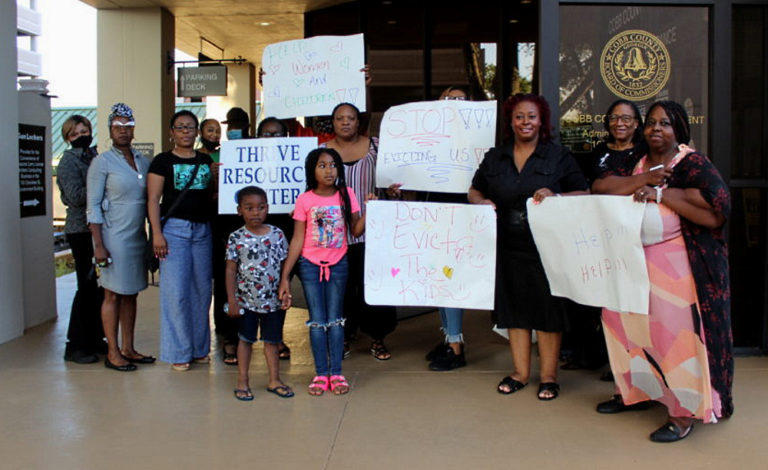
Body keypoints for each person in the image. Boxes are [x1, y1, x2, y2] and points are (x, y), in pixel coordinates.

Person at [592, 100, 733, 443]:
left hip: (675, 268)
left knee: (674, 338)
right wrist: (644, 179)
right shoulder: (636, 160)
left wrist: (662, 193)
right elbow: (601, 187)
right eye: (652, 123)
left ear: (679, 129)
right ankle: (637, 394)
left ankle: (681, 414)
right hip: (632, 264)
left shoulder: (692, 163)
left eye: (665, 123)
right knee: (626, 328)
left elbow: (717, 210)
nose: (656, 129)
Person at [469, 93, 588, 400]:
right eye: (520, 116)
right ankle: (520, 373)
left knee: (547, 311)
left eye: (531, 116)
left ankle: (548, 376)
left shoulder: (557, 156)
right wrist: (482, 201)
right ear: (511, 121)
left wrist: (557, 197)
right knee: (513, 310)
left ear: (541, 121)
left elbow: (583, 192)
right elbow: (474, 190)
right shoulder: (496, 156)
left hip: (546, 248)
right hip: (506, 246)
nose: (526, 122)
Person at [561, 99, 645, 373]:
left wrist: (610, 187)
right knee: (593, 296)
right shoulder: (597, 152)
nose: (620, 123)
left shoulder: (645, 153)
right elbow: (589, 189)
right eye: (614, 118)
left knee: (624, 299)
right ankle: (588, 354)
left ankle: (620, 362)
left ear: (636, 123)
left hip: (632, 235)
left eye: (626, 119)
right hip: (596, 234)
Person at [279, 148, 371, 396]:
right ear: (312, 170)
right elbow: (297, 239)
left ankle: (337, 372)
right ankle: (321, 373)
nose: (329, 170)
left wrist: (369, 208)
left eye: (333, 165)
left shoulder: (346, 194)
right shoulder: (305, 199)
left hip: (338, 263)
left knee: (336, 319)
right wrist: (285, 276)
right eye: (322, 166)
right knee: (317, 322)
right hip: (309, 265)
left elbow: (356, 230)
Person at [322, 102, 398, 361]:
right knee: (340, 288)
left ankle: (378, 338)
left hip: (372, 232)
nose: (345, 122)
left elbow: (390, 181)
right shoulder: (322, 152)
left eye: (351, 118)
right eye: (340, 118)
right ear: (332, 122)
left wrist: (391, 192)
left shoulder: (377, 146)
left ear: (359, 122)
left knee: (374, 286)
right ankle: (343, 336)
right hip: (335, 235)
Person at [86, 103, 154, 371]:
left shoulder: (142, 160)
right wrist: (99, 245)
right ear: (110, 130)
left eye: (127, 127)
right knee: (112, 294)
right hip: (113, 238)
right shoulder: (102, 162)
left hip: (136, 236)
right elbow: (92, 207)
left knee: (131, 294)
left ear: (133, 129)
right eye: (117, 127)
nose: (123, 132)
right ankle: (113, 351)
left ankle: (128, 347)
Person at [148, 110, 214, 371]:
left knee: (201, 291)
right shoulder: (161, 161)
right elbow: (153, 199)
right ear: (172, 132)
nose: (186, 131)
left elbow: (213, 195)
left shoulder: (205, 160)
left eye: (190, 127)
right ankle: (179, 351)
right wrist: (156, 233)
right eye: (180, 127)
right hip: (173, 230)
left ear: (197, 132)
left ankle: (199, 349)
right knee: (175, 293)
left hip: (203, 231)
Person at [225, 186, 293, 400]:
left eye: (261, 207)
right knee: (245, 341)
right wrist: (232, 299)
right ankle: (242, 382)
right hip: (246, 302)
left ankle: (274, 380)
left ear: (268, 209)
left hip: (272, 302)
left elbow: (285, 267)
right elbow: (230, 270)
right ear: (239, 210)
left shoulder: (277, 234)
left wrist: (286, 289)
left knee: (272, 341)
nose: (256, 212)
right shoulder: (236, 237)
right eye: (249, 208)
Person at [59, 114, 106, 363]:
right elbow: (75, 196)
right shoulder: (68, 162)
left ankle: (96, 339)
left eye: (83, 131)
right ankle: (76, 344)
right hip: (80, 230)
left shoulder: (97, 157)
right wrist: (100, 183)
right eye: (74, 134)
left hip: (101, 227)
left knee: (100, 289)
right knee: (86, 286)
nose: (81, 137)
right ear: (67, 138)